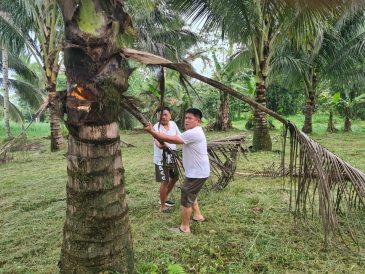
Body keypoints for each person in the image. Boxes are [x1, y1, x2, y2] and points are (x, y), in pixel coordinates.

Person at [144, 108, 210, 233]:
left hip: (197, 173)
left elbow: (174, 139)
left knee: (186, 197)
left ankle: (184, 227)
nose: (186, 120)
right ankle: (198, 215)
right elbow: (172, 139)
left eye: (190, 118)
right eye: (185, 118)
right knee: (191, 193)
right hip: (198, 172)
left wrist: (151, 131)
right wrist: (155, 135)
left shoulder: (193, 133)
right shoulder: (194, 131)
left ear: (198, 121)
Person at [153, 107, 181, 213]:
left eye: (165, 114)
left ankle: (164, 198)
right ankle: (163, 206)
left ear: (170, 115)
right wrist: (161, 144)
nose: (163, 117)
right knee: (165, 181)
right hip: (161, 159)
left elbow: (179, 136)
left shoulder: (173, 124)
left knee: (175, 177)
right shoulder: (156, 127)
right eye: (161, 115)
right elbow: (158, 143)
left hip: (172, 157)